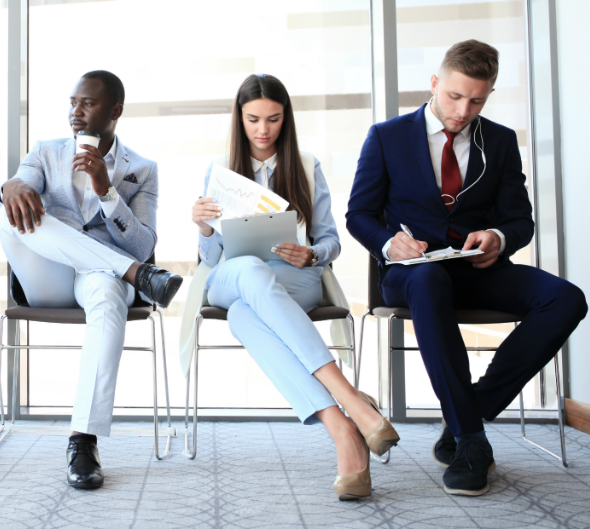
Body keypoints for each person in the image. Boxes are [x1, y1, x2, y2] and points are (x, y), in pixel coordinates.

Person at [347, 40, 587, 496]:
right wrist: (388, 242)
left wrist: (498, 238)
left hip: (478, 270)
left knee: (566, 299)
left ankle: (465, 417)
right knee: (430, 278)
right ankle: (473, 441)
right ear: (435, 83)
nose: (463, 109)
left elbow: (520, 220)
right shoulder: (387, 136)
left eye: (477, 99)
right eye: (456, 96)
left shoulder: (499, 140)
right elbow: (358, 214)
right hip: (411, 275)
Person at [185, 74, 399, 501]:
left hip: (294, 278)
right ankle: (353, 402)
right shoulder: (220, 171)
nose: (263, 130)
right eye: (253, 120)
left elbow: (330, 239)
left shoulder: (305, 164)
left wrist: (313, 255)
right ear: (239, 119)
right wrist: (205, 227)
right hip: (232, 276)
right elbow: (210, 261)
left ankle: (343, 432)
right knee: (248, 269)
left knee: (246, 315)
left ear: (287, 119)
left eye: (273, 119)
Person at [0, 70, 181, 490]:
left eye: (87, 104)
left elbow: (142, 243)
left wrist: (107, 192)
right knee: (5, 215)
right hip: (49, 277)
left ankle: (83, 440)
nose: (75, 112)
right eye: (72, 102)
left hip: (99, 275)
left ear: (114, 111)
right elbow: (21, 184)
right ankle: (139, 279)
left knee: (108, 295)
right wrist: (12, 187)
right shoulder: (45, 152)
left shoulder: (143, 170)